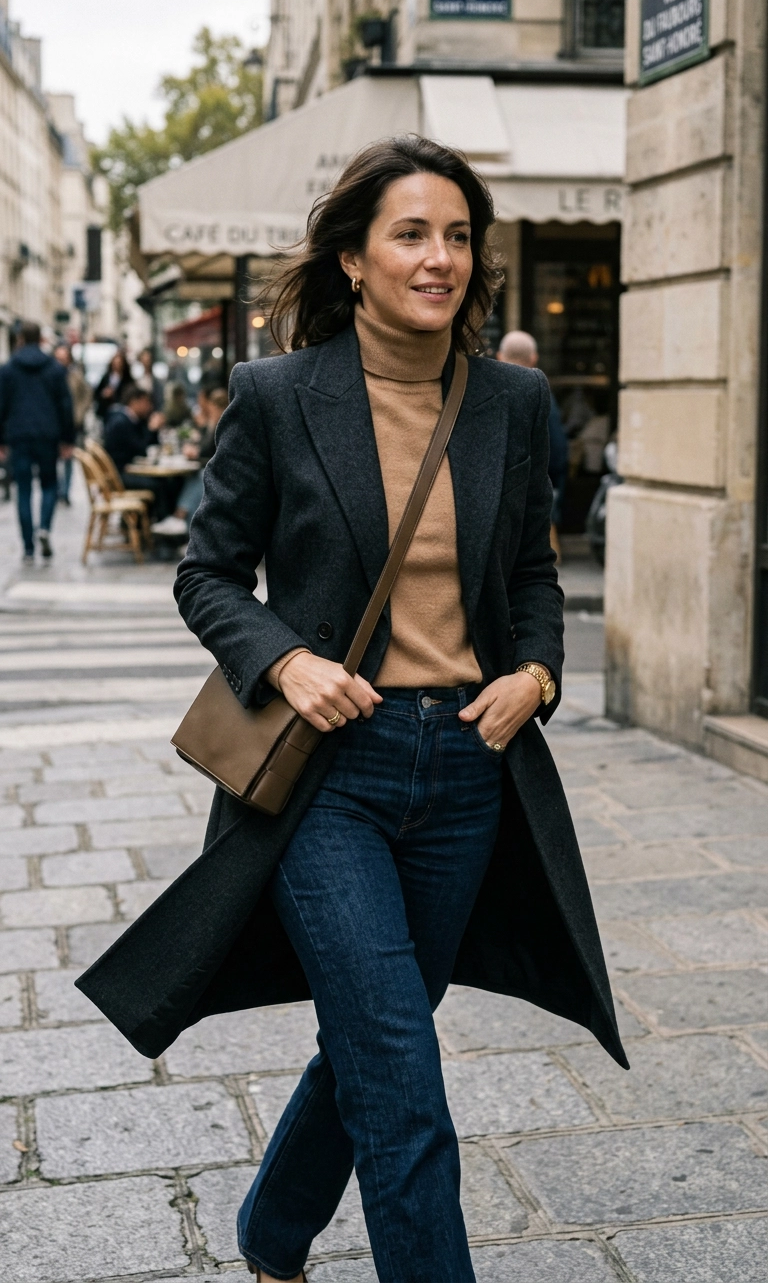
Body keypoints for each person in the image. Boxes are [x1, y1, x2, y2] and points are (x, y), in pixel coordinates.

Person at [78, 136, 626, 1282]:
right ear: (353, 260)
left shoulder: (513, 402)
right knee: (402, 1080)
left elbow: (533, 571)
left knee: (374, 1037)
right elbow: (208, 573)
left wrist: (538, 674)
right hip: (330, 773)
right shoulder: (281, 396)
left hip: (469, 770)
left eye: (459, 236)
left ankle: (274, 1232)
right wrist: (285, 662)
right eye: (411, 234)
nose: (440, 259)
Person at [0, 322, 74, 562]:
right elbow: (65, 405)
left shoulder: (8, 368)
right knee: (49, 484)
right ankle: (44, 527)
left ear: (20, 338)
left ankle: (28, 547)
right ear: (41, 338)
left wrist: (1, 439)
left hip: (18, 435)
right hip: (47, 434)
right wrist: (67, 439)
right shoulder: (54, 368)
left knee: (23, 489)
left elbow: (1, 406)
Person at [497, 329, 568, 561]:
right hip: (535, 488)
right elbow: (557, 449)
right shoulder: (539, 393)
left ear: (499, 356)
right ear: (534, 358)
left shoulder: (485, 392)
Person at [150, 387, 228, 538]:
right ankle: (188, 529)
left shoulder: (223, 425)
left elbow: (210, 450)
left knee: (200, 477)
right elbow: (206, 447)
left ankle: (180, 519)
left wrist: (198, 450)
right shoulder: (213, 423)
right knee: (194, 477)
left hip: (220, 471)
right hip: (211, 466)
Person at [103, 385, 171, 519]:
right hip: (118, 476)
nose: (149, 407)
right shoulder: (122, 422)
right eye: (146, 402)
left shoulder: (128, 419)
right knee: (160, 485)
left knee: (165, 481)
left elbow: (146, 446)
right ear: (134, 402)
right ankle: (161, 523)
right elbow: (141, 448)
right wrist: (152, 428)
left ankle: (148, 524)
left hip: (122, 471)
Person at [54, 343, 92, 505]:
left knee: (68, 457)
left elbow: (87, 394)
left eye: (64, 358)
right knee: (54, 459)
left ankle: (65, 492)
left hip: (71, 423)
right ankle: (56, 490)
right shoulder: (51, 376)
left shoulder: (75, 376)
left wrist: (79, 414)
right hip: (54, 423)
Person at [94, 348, 132, 421]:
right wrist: (104, 394)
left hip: (120, 410)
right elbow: (97, 393)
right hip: (106, 410)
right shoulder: (106, 378)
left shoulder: (127, 380)